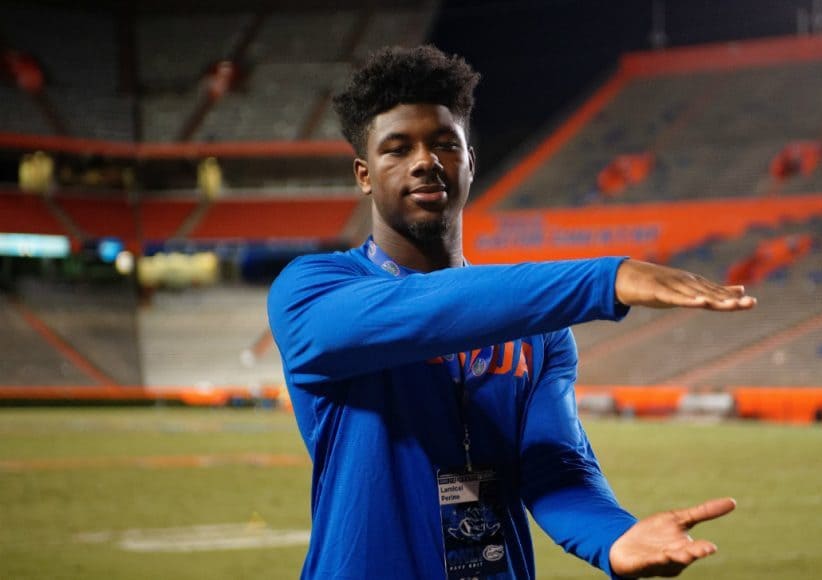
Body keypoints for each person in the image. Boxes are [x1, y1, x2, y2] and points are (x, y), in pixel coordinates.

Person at [268, 45, 756, 580]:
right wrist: (605, 278)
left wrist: (613, 536)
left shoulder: (540, 333)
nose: (425, 162)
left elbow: (554, 462)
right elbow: (421, 312)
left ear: (470, 163)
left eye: (444, 145)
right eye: (397, 149)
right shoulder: (311, 290)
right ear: (364, 174)